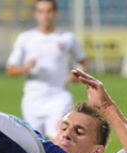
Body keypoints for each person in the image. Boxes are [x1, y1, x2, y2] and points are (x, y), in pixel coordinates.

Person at [6, 0, 88, 140]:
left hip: (59, 96)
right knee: (36, 141)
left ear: (56, 13)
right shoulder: (25, 38)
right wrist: (25, 68)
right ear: (35, 14)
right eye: (41, 11)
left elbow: (83, 61)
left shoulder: (66, 38)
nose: (45, 15)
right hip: (33, 98)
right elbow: (10, 70)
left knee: (57, 138)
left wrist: (76, 74)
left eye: (49, 11)